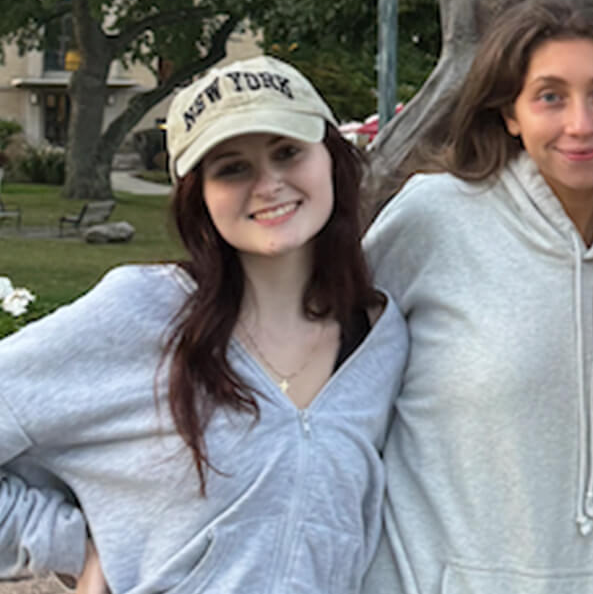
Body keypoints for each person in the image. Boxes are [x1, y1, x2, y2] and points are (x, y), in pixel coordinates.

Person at [0, 55, 406, 592]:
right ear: (200, 197)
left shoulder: (380, 339)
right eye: (232, 168)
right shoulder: (142, 314)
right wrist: (73, 545)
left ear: (331, 158)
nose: (269, 184)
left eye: (288, 152)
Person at [362, 0, 593, 594]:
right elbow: (332, 388)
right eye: (550, 97)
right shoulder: (434, 219)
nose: (580, 124)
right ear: (509, 112)